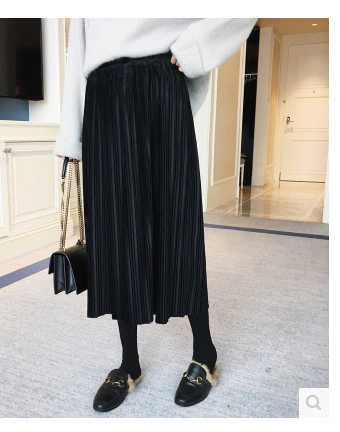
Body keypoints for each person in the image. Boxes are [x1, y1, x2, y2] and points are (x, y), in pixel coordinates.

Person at [54, 18, 257, 412]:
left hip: (159, 83)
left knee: (176, 222)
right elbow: (78, 49)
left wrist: (196, 45)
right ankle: (129, 364)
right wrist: (71, 134)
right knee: (116, 232)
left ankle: (205, 352)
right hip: (103, 99)